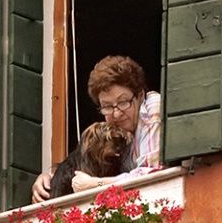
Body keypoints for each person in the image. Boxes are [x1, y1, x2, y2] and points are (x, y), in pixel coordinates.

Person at [32, 55, 161, 203]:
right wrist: (49, 177)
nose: (117, 113)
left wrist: (95, 185)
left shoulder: (151, 108)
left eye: (123, 101)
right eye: (107, 106)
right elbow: (87, 159)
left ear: (140, 95)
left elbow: (152, 175)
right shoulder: (124, 134)